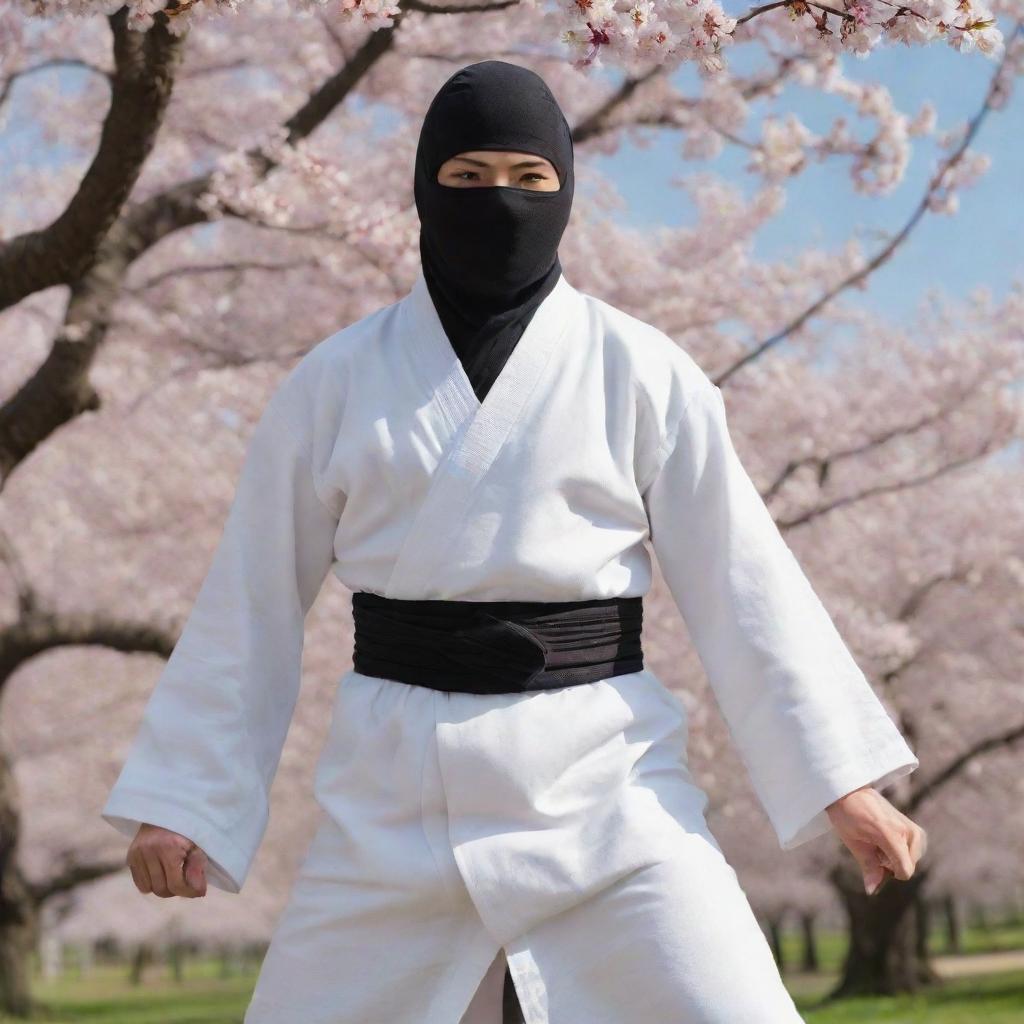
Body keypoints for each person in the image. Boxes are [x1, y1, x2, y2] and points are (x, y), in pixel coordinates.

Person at [101, 60, 927, 1024]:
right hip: (390, 807)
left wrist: (844, 784)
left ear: (567, 191)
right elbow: (251, 601)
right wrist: (185, 800)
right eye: (468, 177)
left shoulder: (643, 369)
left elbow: (746, 588)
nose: (501, 200)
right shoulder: (332, 384)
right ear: (423, 188)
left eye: (531, 179)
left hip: (610, 790)